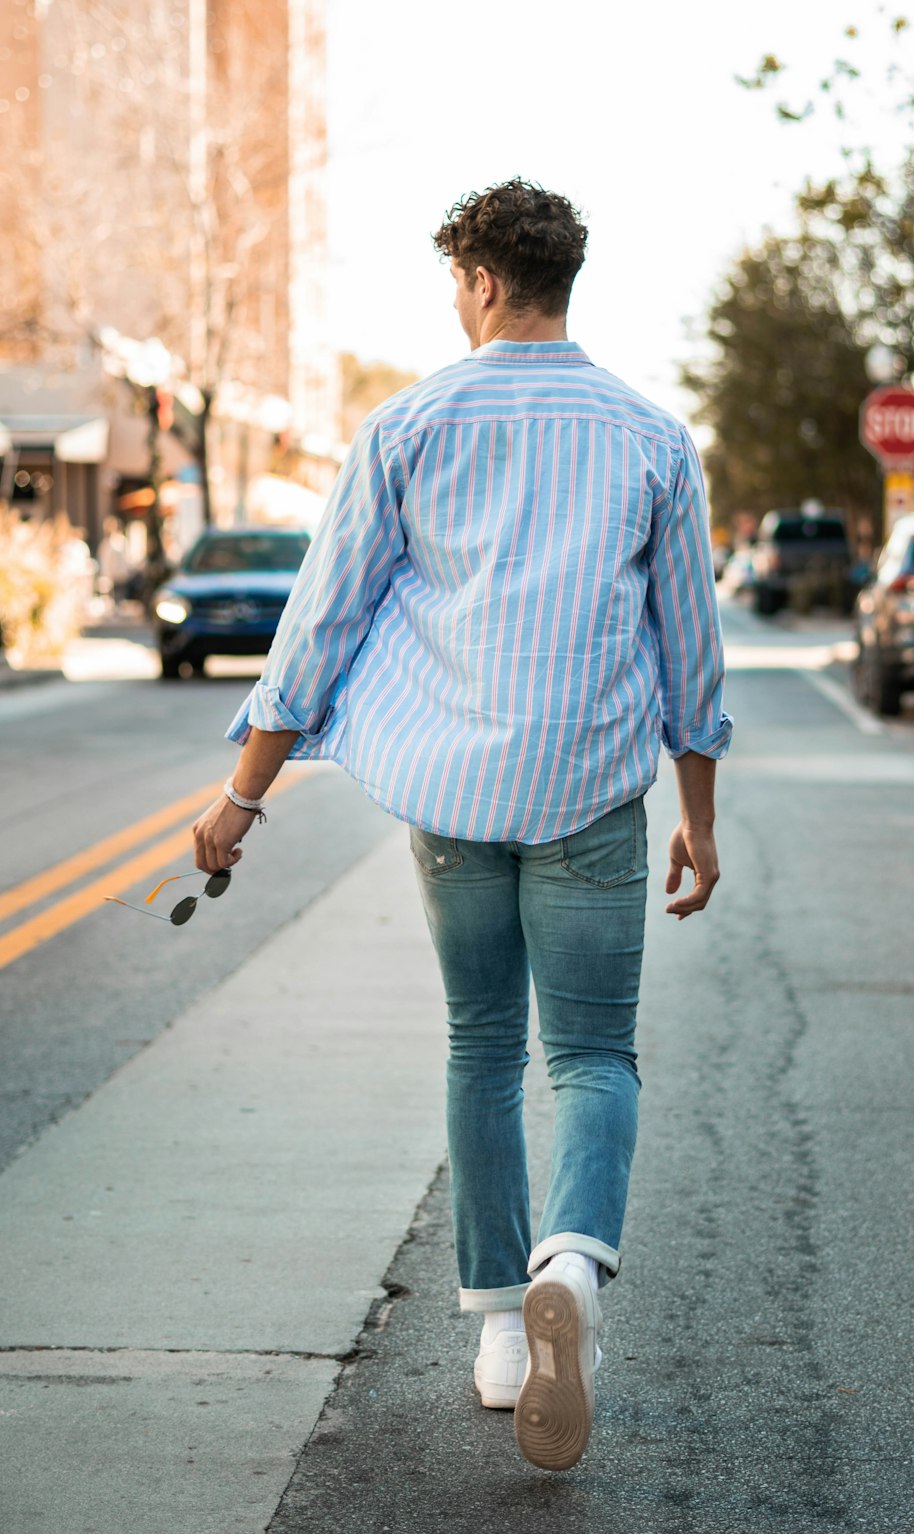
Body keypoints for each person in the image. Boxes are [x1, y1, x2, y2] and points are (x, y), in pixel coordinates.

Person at [192, 179, 732, 1472]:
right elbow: (692, 656)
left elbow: (319, 627)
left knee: (483, 1043)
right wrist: (698, 820)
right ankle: (575, 1264)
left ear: (484, 281)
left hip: (453, 793)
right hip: (595, 785)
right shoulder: (653, 436)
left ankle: (499, 1326)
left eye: (455, 282)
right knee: (594, 1055)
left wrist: (243, 795)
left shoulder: (408, 424)